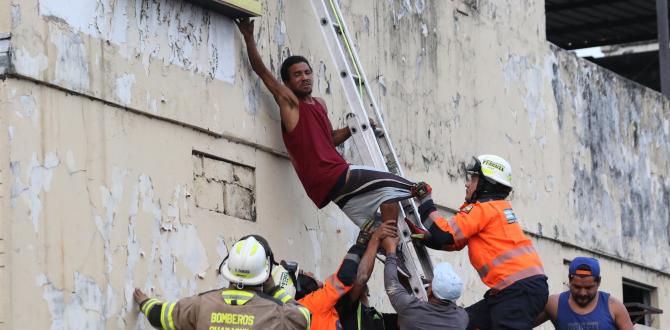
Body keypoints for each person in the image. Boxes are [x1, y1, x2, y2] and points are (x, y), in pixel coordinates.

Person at [235, 17, 417, 230]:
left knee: (382, 215)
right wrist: (249, 38)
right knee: (397, 185)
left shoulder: (319, 104)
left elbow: (329, 139)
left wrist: (353, 128)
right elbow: (263, 72)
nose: (305, 77)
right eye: (297, 75)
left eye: (307, 72)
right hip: (330, 175)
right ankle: (429, 214)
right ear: (287, 82)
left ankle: (392, 247)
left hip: (334, 185)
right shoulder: (290, 103)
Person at [407, 154, 548, 329]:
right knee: (465, 322)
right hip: (516, 291)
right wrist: (427, 237)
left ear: (486, 184)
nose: (467, 183)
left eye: (473, 178)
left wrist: (425, 201)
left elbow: (445, 234)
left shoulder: (483, 209)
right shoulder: (497, 208)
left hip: (516, 292)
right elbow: (454, 241)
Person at [134, 235, 311, 330]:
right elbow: (305, 317)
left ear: (228, 266)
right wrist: (274, 290)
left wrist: (144, 302)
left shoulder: (201, 305)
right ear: (265, 274)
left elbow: (160, 316)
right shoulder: (278, 314)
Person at [294, 221, 397, 329]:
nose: (309, 272)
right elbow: (354, 277)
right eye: (302, 273)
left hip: (377, 320)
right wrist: (372, 240)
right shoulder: (312, 306)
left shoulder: (314, 316)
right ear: (302, 286)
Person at [381, 233, 468, 330]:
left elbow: (391, 284)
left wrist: (390, 251)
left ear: (430, 291)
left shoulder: (411, 309)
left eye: (432, 283)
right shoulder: (462, 318)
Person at [535, 257, 634, 330]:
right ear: (569, 280)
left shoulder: (614, 307)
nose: (582, 293)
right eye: (577, 287)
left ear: (598, 282)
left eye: (588, 288)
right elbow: (521, 323)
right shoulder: (554, 304)